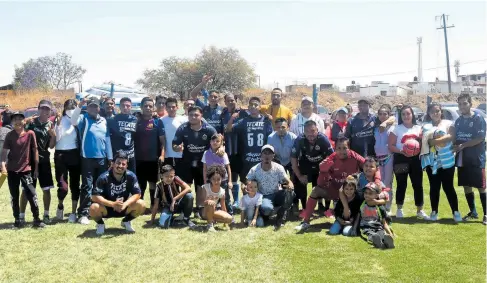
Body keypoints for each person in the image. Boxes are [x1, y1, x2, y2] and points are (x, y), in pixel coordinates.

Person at [294, 137, 380, 232]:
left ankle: (371, 219)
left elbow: (373, 167)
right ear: (335, 148)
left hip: (350, 193)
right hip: (335, 191)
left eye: (344, 148)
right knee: (315, 190)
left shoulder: (355, 156)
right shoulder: (331, 158)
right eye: (339, 148)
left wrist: (377, 181)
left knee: (368, 192)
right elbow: (320, 183)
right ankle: (305, 222)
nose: (341, 151)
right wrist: (323, 171)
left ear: (349, 148)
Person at [71, 97, 113, 225]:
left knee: (100, 186)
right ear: (87, 108)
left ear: (99, 108)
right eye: (90, 106)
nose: (93, 109)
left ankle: (99, 211)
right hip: (87, 158)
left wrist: (110, 157)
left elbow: (107, 140)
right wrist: (79, 106)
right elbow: (73, 121)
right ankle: (83, 213)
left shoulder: (104, 121)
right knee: (87, 187)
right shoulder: (83, 119)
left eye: (95, 106)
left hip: (102, 159)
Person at [1, 112, 44, 228]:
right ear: (12, 122)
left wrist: (36, 168)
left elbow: (35, 150)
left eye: (20, 119)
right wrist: (3, 165)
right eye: (15, 119)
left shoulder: (30, 134)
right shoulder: (9, 135)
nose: (18, 121)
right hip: (12, 171)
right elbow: (4, 152)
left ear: (24, 121)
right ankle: (17, 220)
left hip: (26, 170)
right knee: (14, 196)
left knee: (32, 193)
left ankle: (37, 219)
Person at [172, 106, 217, 218]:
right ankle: (184, 211)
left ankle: (198, 210)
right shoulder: (183, 128)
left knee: (201, 187)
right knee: (186, 186)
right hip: (186, 162)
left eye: (196, 115)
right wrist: (177, 148)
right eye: (191, 115)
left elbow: (219, 141)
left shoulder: (209, 129)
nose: (193, 117)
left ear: (201, 116)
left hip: (203, 164)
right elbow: (174, 144)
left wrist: (220, 148)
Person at [421, 102, 461, 222]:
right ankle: (434, 212)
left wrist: (434, 141)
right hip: (431, 161)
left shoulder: (448, 123)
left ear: (441, 112)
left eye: (437, 111)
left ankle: (456, 212)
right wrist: (432, 141)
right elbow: (425, 141)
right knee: (434, 187)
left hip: (447, 160)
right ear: (429, 113)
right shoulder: (426, 126)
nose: (435, 113)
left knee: (448, 187)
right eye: (433, 111)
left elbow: (451, 136)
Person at [89, 151, 145, 235]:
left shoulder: (131, 176)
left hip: (123, 207)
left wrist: (125, 204)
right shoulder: (103, 177)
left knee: (142, 204)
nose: (120, 166)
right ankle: (100, 224)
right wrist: (112, 204)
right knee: (93, 208)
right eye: (118, 163)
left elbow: (137, 194)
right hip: (107, 208)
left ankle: (126, 221)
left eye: (123, 164)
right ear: (112, 164)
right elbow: (94, 197)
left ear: (127, 166)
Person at [388, 105, 429, 219]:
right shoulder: (396, 128)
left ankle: (419, 210)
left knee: (417, 184)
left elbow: (423, 144)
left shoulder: (418, 128)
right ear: (401, 116)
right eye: (403, 114)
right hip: (401, 158)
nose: (406, 116)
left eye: (408, 113)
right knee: (401, 184)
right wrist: (402, 151)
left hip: (415, 159)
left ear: (412, 115)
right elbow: (391, 146)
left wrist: (417, 150)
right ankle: (399, 209)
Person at [225, 96, 273, 191]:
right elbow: (228, 129)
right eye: (251, 105)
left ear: (260, 107)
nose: (253, 107)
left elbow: (271, 138)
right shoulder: (244, 121)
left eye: (256, 105)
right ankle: (247, 203)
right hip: (247, 158)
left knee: (261, 184)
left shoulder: (265, 121)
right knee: (246, 184)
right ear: (248, 107)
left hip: (261, 158)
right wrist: (231, 119)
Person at [454, 93, 486, 224]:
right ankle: (473, 211)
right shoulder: (458, 121)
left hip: (477, 158)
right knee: (466, 185)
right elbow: (455, 139)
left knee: (481, 186)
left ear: (470, 104)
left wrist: (462, 145)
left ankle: (486, 214)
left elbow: (479, 139)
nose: (462, 106)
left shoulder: (478, 119)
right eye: (460, 104)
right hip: (462, 159)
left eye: (465, 103)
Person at [23, 100, 56, 224]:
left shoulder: (50, 125)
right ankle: (21, 216)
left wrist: (54, 136)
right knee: (26, 189)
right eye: (42, 108)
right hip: (29, 160)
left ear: (50, 111)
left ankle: (46, 215)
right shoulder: (32, 122)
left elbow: (52, 146)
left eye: (47, 109)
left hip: (44, 160)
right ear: (38, 109)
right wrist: (25, 122)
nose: (44, 111)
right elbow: (21, 134)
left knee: (46, 189)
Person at [291, 120, 334, 216]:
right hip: (306, 165)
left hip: (320, 165)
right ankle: (304, 208)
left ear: (317, 130)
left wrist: (328, 173)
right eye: (307, 131)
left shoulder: (323, 139)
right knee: (300, 181)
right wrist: (299, 176)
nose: (310, 134)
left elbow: (332, 157)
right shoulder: (299, 139)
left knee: (326, 183)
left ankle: (326, 208)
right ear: (304, 132)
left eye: (313, 131)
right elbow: (293, 158)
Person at [246, 145, 295, 230]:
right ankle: (263, 213)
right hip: (263, 196)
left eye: (269, 153)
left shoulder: (278, 168)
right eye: (265, 153)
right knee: (267, 209)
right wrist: (247, 187)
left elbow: (287, 180)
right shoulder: (254, 169)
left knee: (290, 193)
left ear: (273, 156)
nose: (267, 156)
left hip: (276, 193)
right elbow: (247, 181)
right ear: (261, 155)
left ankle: (281, 216)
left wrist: (290, 184)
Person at [53, 99, 81, 223]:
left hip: (74, 153)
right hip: (60, 155)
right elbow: (58, 137)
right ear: (64, 109)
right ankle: (60, 205)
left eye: (73, 108)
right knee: (63, 186)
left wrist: (80, 106)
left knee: (75, 185)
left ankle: (74, 212)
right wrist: (58, 124)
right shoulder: (60, 119)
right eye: (69, 108)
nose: (71, 110)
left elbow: (74, 122)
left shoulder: (77, 119)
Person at [135, 97, 165, 209]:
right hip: (138, 159)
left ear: (154, 108)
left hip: (153, 159)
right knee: (140, 184)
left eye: (150, 106)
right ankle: (140, 206)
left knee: (153, 183)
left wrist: (162, 155)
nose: (148, 108)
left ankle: (153, 205)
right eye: (145, 106)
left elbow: (163, 142)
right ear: (141, 107)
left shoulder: (158, 121)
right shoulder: (136, 120)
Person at [220, 93, 247, 211]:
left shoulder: (244, 113)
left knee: (245, 177)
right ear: (225, 102)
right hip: (230, 149)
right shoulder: (223, 114)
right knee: (233, 176)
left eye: (233, 100)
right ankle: (236, 200)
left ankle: (247, 201)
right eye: (229, 101)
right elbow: (223, 130)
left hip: (243, 149)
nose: (231, 102)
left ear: (236, 100)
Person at [151, 164, 195, 229]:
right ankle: (171, 219)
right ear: (161, 176)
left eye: (171, 176)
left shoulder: (176, 179)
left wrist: (175, 199)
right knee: (163, 225)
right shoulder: (158, 186)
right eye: (166, 176)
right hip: (168, 207)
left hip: (178, 204)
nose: (169, 178)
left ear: (174, 175)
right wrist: (152, 220)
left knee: (189, 196)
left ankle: (186, 218)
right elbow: (156, 205)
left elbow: (188, 188)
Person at [202, 133, 233, 216]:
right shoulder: (206, 153)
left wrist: (230, 181)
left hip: (223, 180)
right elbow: (204, 169)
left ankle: (229, 214)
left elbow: (228, 168)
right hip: (210, 180)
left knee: (226, 198)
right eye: (213, 140)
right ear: (210, 142)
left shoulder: (223, 154)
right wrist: (205, 181)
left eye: (217, 141)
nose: (215, 142)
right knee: (211, 197)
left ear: (221, 143)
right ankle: (211, 215)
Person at [359, 182, 395, 249]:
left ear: (376, 195)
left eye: (370, 193)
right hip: (365, 227)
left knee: (382, 234)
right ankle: (377, 242)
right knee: (371, 235)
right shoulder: (362, 204)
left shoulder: (380, 208)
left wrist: (390, 233)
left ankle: (388, 242)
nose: (367, 195)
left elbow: (384, 223)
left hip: (378, 227)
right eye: (365, 193)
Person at [107, 97, 138, 172]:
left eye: (128, 106)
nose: (125, 107)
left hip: (130, 155)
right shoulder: (112, 120)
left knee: (131, 177)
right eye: (123, 105)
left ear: (131, 107)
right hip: (117, 155)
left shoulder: (135, 120)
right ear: (119, 106)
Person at [374, 104, 395, 212]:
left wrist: (387, 121)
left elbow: (395, 117)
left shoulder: (392, 127)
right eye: (380, 114)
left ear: (388, 115)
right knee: (379, 183)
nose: (382, 116)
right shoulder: (376, 128)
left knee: (388, 182)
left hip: (389, 157)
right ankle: (380, 204)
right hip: (378, 159)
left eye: (385, 114)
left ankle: (388, 206)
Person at [201, 164, 233, 232]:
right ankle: (209, 225)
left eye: (218, 179)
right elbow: (203, 202)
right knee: (211, 203)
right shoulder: (205, 187)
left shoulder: (222, 191)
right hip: (204, 211)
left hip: (214, 210)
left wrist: (225, 222)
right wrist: (208, 201)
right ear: (210, 179)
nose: (216, 182)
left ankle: (212, 220)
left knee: (229, 218)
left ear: (222, 179)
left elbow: (223, 206)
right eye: (213, 179)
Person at [161, 97, 188, 172]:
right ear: (165, 108)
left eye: (173, 107)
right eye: (169, 107)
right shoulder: (161, 120)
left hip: (181, 154)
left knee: (180, 179)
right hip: (167, 155)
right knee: (168, 178)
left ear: (177, 107)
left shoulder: (184, 119)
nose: (171, 109)